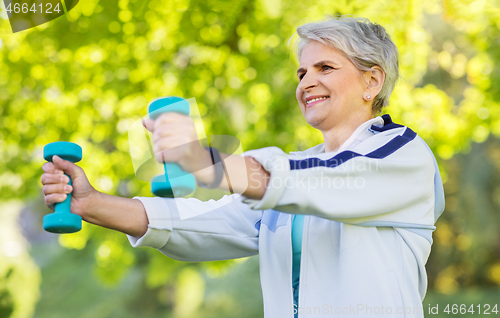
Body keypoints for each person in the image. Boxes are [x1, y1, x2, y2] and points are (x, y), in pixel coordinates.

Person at [41, 15, 445, 318]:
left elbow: (321, 183)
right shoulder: (297, 171)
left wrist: (203, 161)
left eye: (325, 68)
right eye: (302, 72)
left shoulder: (402, 156)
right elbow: (201, 221)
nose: (306, 83)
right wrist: (89, 203)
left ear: (372, 82)